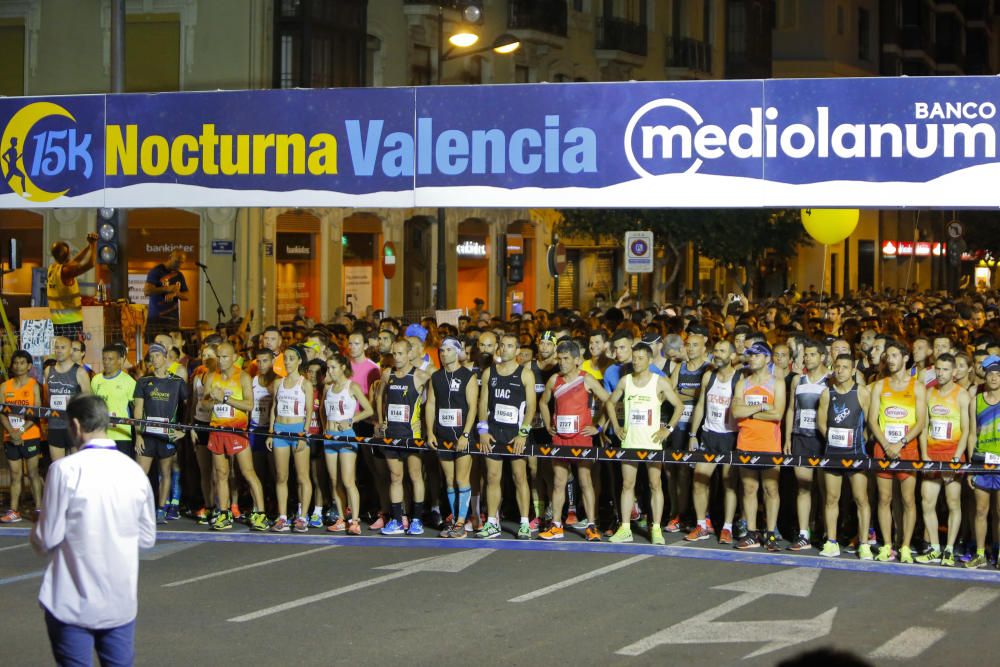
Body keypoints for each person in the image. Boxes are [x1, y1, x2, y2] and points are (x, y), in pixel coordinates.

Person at [30, 394, 155, 667]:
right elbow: (147, 538)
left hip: (70, 599)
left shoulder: (64, 470)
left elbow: (47, 538)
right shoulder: (134, 472)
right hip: (119, 601)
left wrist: (37, 526)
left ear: (75, 426)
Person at [605, 342, 684, 545]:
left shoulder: (659, 382)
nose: (636, 362)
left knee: (655, 484)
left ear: (649, 360)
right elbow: (609, 403)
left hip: (652, 442)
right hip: (630, 441)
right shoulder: (625, 381)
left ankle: (656, 528)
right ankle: (624, 528)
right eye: (635, 358)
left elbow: (679, 406)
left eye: (641, 358)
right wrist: (616, 426)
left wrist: (668, 429)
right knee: (627, 484)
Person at [538, 340, 609, 542]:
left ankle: (592, 526)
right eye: (559, 358)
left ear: (577, 360)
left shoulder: (586, 379)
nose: (561, 362)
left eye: (566, 358)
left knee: (585, 481)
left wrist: (599, 426)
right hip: (560, 438)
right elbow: (543, 402)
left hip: (581, 438)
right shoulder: (554, 380)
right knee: (559, 482)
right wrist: (547, 423)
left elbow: (609, 400)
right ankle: (556, 526)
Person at [868, 340, 926, 564]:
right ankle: (887, 545)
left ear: (905, 358)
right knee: (884, 498)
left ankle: (905, 546)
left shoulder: (917, 386)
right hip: (882, 447)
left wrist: (900, 443)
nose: (889, 360)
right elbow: (873, 420)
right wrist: (885, 444)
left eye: (894, 355)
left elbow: (920, 422)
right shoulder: (880, 386)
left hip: (907, 448)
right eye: (887, 356)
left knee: (908, 499)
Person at [201, 342, 268, 531]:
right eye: (218, 357)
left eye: (224, 357)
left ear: (233, 357)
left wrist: (224, 398)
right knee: (220, 473)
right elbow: (204, 406)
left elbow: (249, 405)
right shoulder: (211, 376)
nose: (221, 361)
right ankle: (223, 512)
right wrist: (211, 399)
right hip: (217, 429)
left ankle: (260, 513)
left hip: (237, 430)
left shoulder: (243, 377)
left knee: (248, 472)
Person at [477, 333, 537, 539]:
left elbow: (531, 407)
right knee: (492, 477)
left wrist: (523, 433)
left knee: (519, 477)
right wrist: (483, 430)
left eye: (510, 346)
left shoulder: (525, 375)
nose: (505, 349)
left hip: (516, 434)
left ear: (518, 350)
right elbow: (482, 403)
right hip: (493, 432)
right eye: (502, 345)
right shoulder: (489, 373)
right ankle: (492, 522)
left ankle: (524, 523)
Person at [816, 354, 872, 560]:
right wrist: (831, 437)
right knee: (831, 498)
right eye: (837, 367)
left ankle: (864, 543)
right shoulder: (826, 394)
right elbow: (821, 422)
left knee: (861, 498)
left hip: (856, 452)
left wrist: (861, 440)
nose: (840, 371)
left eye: (845, 367)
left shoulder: (862, 392)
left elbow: (870, 421)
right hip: (833, 452)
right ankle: (831, 542)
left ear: (853, 370)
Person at [732, 341, 787, 551]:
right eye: (750, 355)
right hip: (746, 441)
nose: (752, 358)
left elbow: (778, 413)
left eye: (756, 355)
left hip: (769, 443)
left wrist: (751, 411)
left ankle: (771, 533)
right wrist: (763, 406)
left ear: (767, 358)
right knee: (749, 488)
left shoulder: (777, 383)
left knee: (771, 488)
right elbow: (735, 412)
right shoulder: (742, 383)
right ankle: (752, 532)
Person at [686, 339, 741, 544]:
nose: (717, 354)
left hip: (730, 436)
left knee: (729, 483)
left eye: (722, 351)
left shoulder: (739, 378)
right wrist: (693, 435)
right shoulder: (708, 376)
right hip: (709, 435)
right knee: (699, 481)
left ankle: (727, 527)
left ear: (733, 356)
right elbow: (700, 404)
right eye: (716, 350)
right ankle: (701, 525)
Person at [916, 353, 969, 566]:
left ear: (954, 372)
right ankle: (935, 548)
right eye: (938, 368)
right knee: (927, 502)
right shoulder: (929, 393)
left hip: (952, 455)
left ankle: (949, 548)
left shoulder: (962, 395)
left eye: (946, 369)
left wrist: (956, 458)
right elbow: (923, 427)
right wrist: (925, 455)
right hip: (932, 454)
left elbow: (966, 430)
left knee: (953, 503)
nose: (941, 372)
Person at [375, 339, 432, 535]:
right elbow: (379, 396)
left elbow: (432, 402)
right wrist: (380, 420)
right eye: (394, 354)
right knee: (395, 476)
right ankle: (397, 520)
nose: (396, 358)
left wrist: (426, 426)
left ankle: (416, 519)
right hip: (391, 433)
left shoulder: (421, 376)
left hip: (412, 434)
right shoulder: (387, 374)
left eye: (400, 354)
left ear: (409, 354)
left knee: (415, 476)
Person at [426, 337, 478, 538]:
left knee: (461, 478)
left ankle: (461, 522)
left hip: (463, 436)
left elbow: (473, 406)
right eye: (441, 350)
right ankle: (454, 517)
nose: (443, 353)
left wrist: (466, 434)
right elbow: (430, 404)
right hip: (443, 434)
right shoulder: (436, 377)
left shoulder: (468, 376)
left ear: (457, 352)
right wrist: (430, 432)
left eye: (448, 350)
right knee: (448, 480)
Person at [133, 343, 190, 524]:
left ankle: (161, 509)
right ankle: (139, 510)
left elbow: (188, 407)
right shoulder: (143, 382)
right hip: (147, 435)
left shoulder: (177, 382)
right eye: (151, 356)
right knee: (140, 475)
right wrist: (139, 435)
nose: (154, 359)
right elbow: (138, 410)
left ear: (166, 357)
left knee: (165, 472)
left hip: (166, 435)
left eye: (158, 355)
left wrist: (183, 430)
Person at [783, 339, 828, 551]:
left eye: (812, 354)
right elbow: (791, 409)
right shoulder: (797, 381)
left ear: (822, 357)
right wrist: (787, 438)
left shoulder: (831, 380)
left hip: (822, 439)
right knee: (804, 486)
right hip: (800, 437)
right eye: (805, 355)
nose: (807, 358)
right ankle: (803, 533)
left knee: (825, 490)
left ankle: (823, 529)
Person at [321, 351, 373, 535]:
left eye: (333, 367)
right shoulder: (328, 388)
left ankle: (355, 520)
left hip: (346, 437)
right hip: (330, 437)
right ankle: (341, 517)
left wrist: (351, 421)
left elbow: (368, 410)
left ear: (343, 367)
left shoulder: (352, 387)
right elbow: (323, 411)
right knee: (335, 482)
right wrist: (325, 428)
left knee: (348, 480)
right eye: (328, 367)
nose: (330, 371)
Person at [266, 345, 314, 532]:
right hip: (280, 430)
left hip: (297, 430)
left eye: (291, 358)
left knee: (302, 476)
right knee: (281, 476)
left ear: (299, 361)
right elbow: (274, 408)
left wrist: (303, 434)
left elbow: (309, 411)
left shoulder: (305, 383)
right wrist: (271, 432)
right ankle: (283, 516)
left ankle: (302, 517)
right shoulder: (279, 383)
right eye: (285, 358)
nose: (287, 362)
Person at [1, 351, 43, 523]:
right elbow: (1, 412)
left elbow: (37, 411)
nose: (18, 366)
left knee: (33, 473)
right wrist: (11, 432)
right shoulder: (4, 386)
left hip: (30, 435)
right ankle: (14, 511)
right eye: (15, 362)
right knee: (15, 474)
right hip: (10, 436)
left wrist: (21, 431)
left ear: (29, 366)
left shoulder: (34, 385)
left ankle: (39, 509)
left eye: (22, 363)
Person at [967, 355, 1000, 569]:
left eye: (998, 374)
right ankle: (980, 553)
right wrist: (970, 467)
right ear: (984, 376)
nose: (995, 377)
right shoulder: (976, 401)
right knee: (981, 510)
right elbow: (971, 434)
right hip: (981, 461)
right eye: (991, 373)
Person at [43, 336, 92, 462]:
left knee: (74, 467)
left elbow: (88, 401)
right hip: (54, 425)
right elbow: (47, 397)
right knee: (57, 467)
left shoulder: (80, 372)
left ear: (71, 350)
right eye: (57, 347)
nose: (59, 350)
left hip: (74, 426)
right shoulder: (49, 370)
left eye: (63, 348)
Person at [47, 233, 98, 340]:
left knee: (61, 351)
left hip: (57, 322)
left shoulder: (53, 268)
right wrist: (93, 245)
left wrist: (89, 246)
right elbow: (90, 264)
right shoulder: (66, 271)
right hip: (71, 323)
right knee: (74, 352)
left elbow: (76, 260)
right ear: (67, 255)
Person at [90, 344, 137, 458]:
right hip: (101, 435)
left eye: (110, 359)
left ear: (120, 360)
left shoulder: (129, 382)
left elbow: (137, 409)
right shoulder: (96, 380)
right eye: (104, 359)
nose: (106, 362)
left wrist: (139, 435)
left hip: (122, 435)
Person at [144, 249, 189, 341]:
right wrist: (166, 289)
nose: (179, 265)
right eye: (177, 261)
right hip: (156, 319)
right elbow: (147, 291)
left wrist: (176, 293)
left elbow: (187, 295)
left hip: (172, 319)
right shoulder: (156, 271)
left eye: (181, 263)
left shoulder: (179, 275)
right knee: (155, 348)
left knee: (172, 348)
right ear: (170, 257)